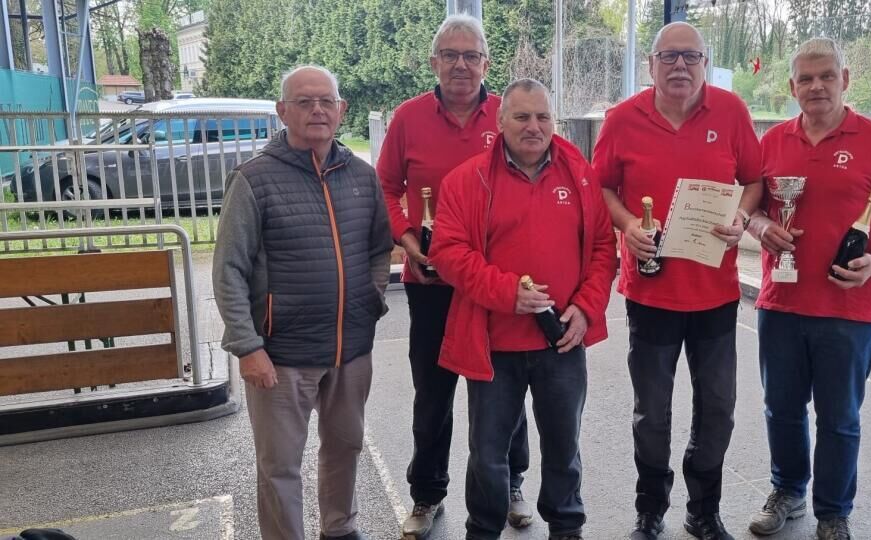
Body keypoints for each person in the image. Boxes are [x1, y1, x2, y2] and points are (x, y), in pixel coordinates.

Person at [744, 38, 871, 540]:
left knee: (840, 418)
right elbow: (749, 209)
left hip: (850, 307)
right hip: (781, 304)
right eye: (806, 78)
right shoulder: (771, 141)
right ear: (792, 87)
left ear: (845, 79)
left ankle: (833, 512)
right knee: (781, 409)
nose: (817, 86)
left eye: (826, 76)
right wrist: (761, 227)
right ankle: (787, 490)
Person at [591, 21, 763, 540]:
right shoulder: (621, 120)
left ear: (705, 63)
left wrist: (741, 217)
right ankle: (650, 509)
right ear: (651, 65)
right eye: (669, 56)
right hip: (650, 293)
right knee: (652, 413)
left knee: (718, 410)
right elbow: (601, 188)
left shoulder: (731, 112)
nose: (680, 66)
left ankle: (703, 510)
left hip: (715, 293)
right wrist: (627, 225)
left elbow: (754, 181)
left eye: (691, 56)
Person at [428, 78, 616, 540]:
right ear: (500, 120)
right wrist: (506, 292)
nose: (534, 126)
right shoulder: (467, 179)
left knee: (564, 446)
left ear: (554, 121)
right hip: (493, 343)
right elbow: (447, 253)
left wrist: (587, 308)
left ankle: (566, 527)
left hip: (562, 341)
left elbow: (602, 248)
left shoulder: (580, 174)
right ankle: (483, 529)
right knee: (488, 452)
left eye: (542, 116)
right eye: (522, 116)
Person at [213, 65, 393, 540]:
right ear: (282, 111)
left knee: (346, 447)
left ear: (341, 109)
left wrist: (371, 300)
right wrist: (248, 347)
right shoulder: (253, 180)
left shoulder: (362, 176)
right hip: (280, 355)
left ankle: (340, 529)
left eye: (326, 101)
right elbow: (229, 269)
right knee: (280, 466)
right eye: (304, 102)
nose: (317, 110)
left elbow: (379, 248)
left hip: (350, 350)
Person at [373, 14, 533, 537]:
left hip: (496, 284)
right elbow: (385, 187)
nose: (460, 65)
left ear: (487, 62)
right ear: (434, 62)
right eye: (450, 55)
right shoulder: (408, 117)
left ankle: (510, 484)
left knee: (506, 392)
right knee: (433, 395)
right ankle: (427, 495)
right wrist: (407, 238)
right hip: (433, 285)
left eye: (471, 55)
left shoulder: (508, 113)